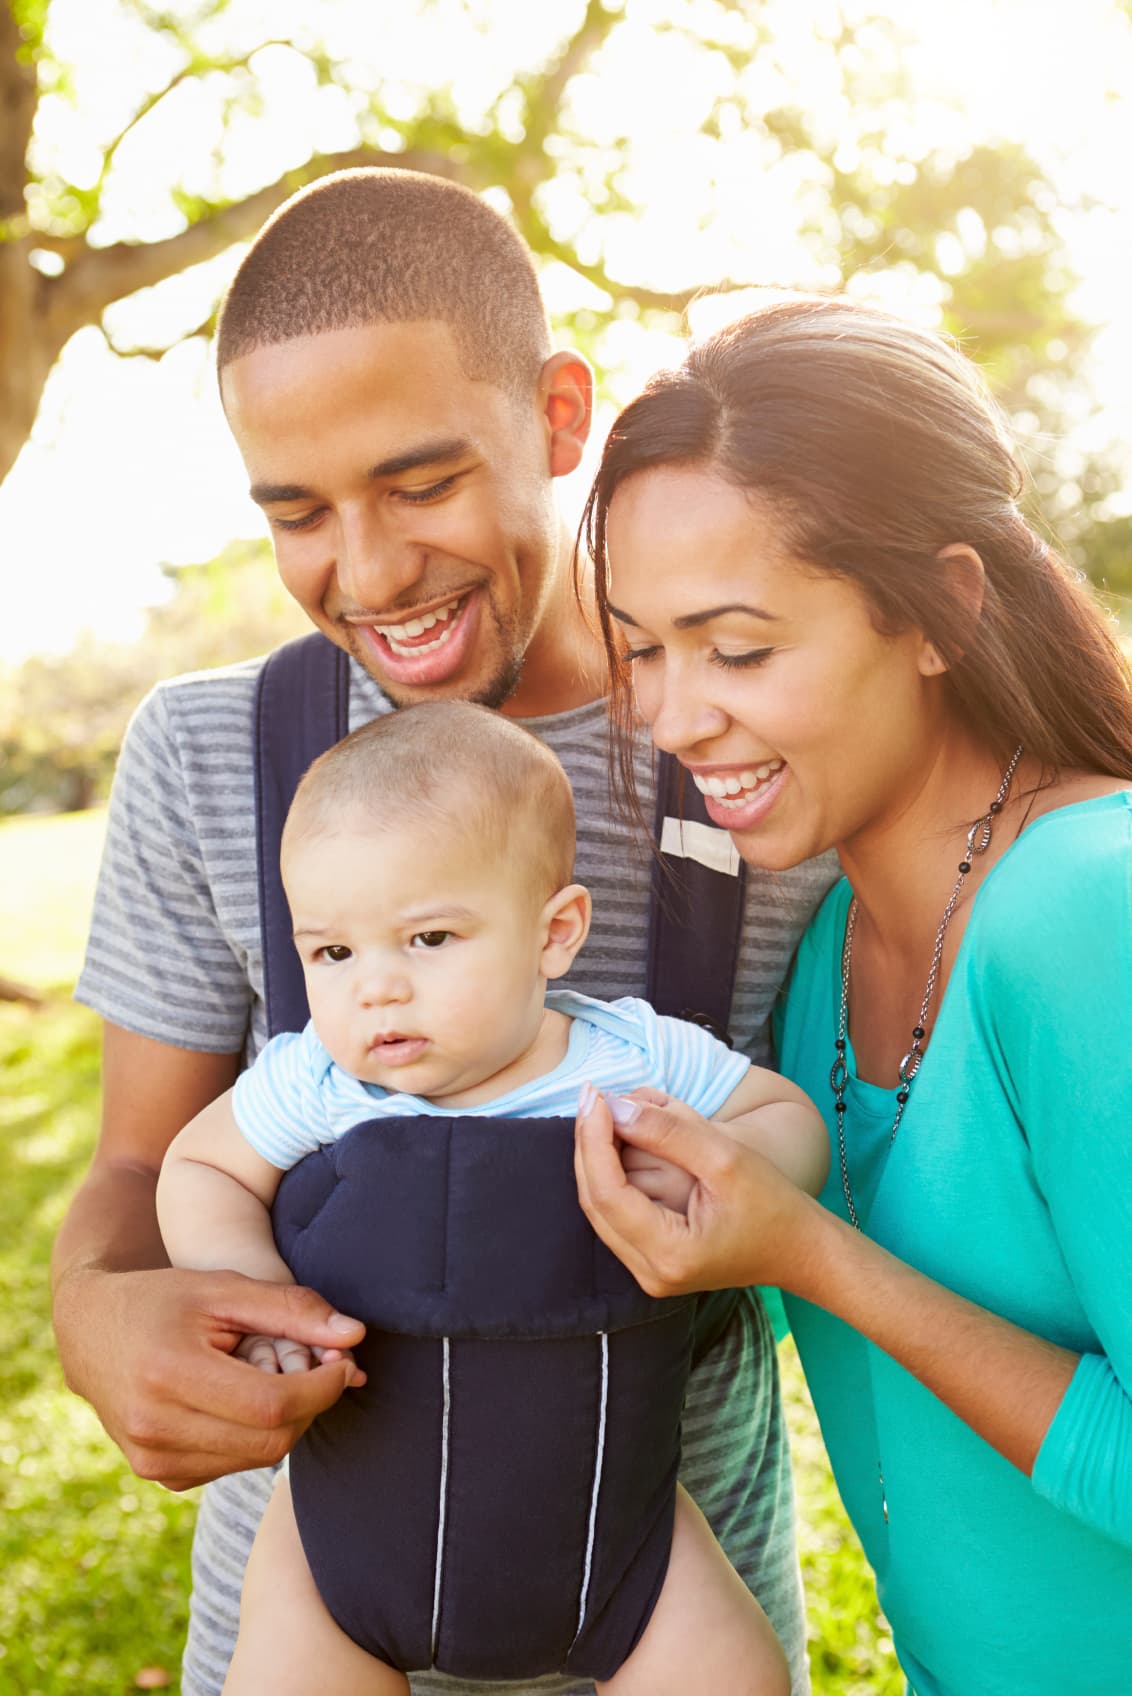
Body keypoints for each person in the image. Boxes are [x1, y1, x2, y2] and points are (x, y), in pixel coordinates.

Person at [52, 169, 835, 1696]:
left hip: (663, 1604)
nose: (368, 569)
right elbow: (147, 1169)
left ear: (558, 419)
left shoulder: (737, 746)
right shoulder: (212, 753)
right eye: (297, 512)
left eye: (420, 484)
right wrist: (93, 1316)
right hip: (313, 1612)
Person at [572, 295, 1132, 1696]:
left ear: (943, 606)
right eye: (643, 648)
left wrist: (809, 1254)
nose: (675, 717)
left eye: (741, 649)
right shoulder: (825, 948)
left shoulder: (1085, 911)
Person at [157, 701, 828, 1695]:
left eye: (426, 937)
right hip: (343, 1536)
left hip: (620, 1529)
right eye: (333, 953)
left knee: (735, 1676)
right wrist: (252, 1289)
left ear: (555, 933)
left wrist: (705, 1166)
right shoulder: (315, 1082)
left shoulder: (627, 1054)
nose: (374, 988)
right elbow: (200, 1167)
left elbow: (788, 1117)